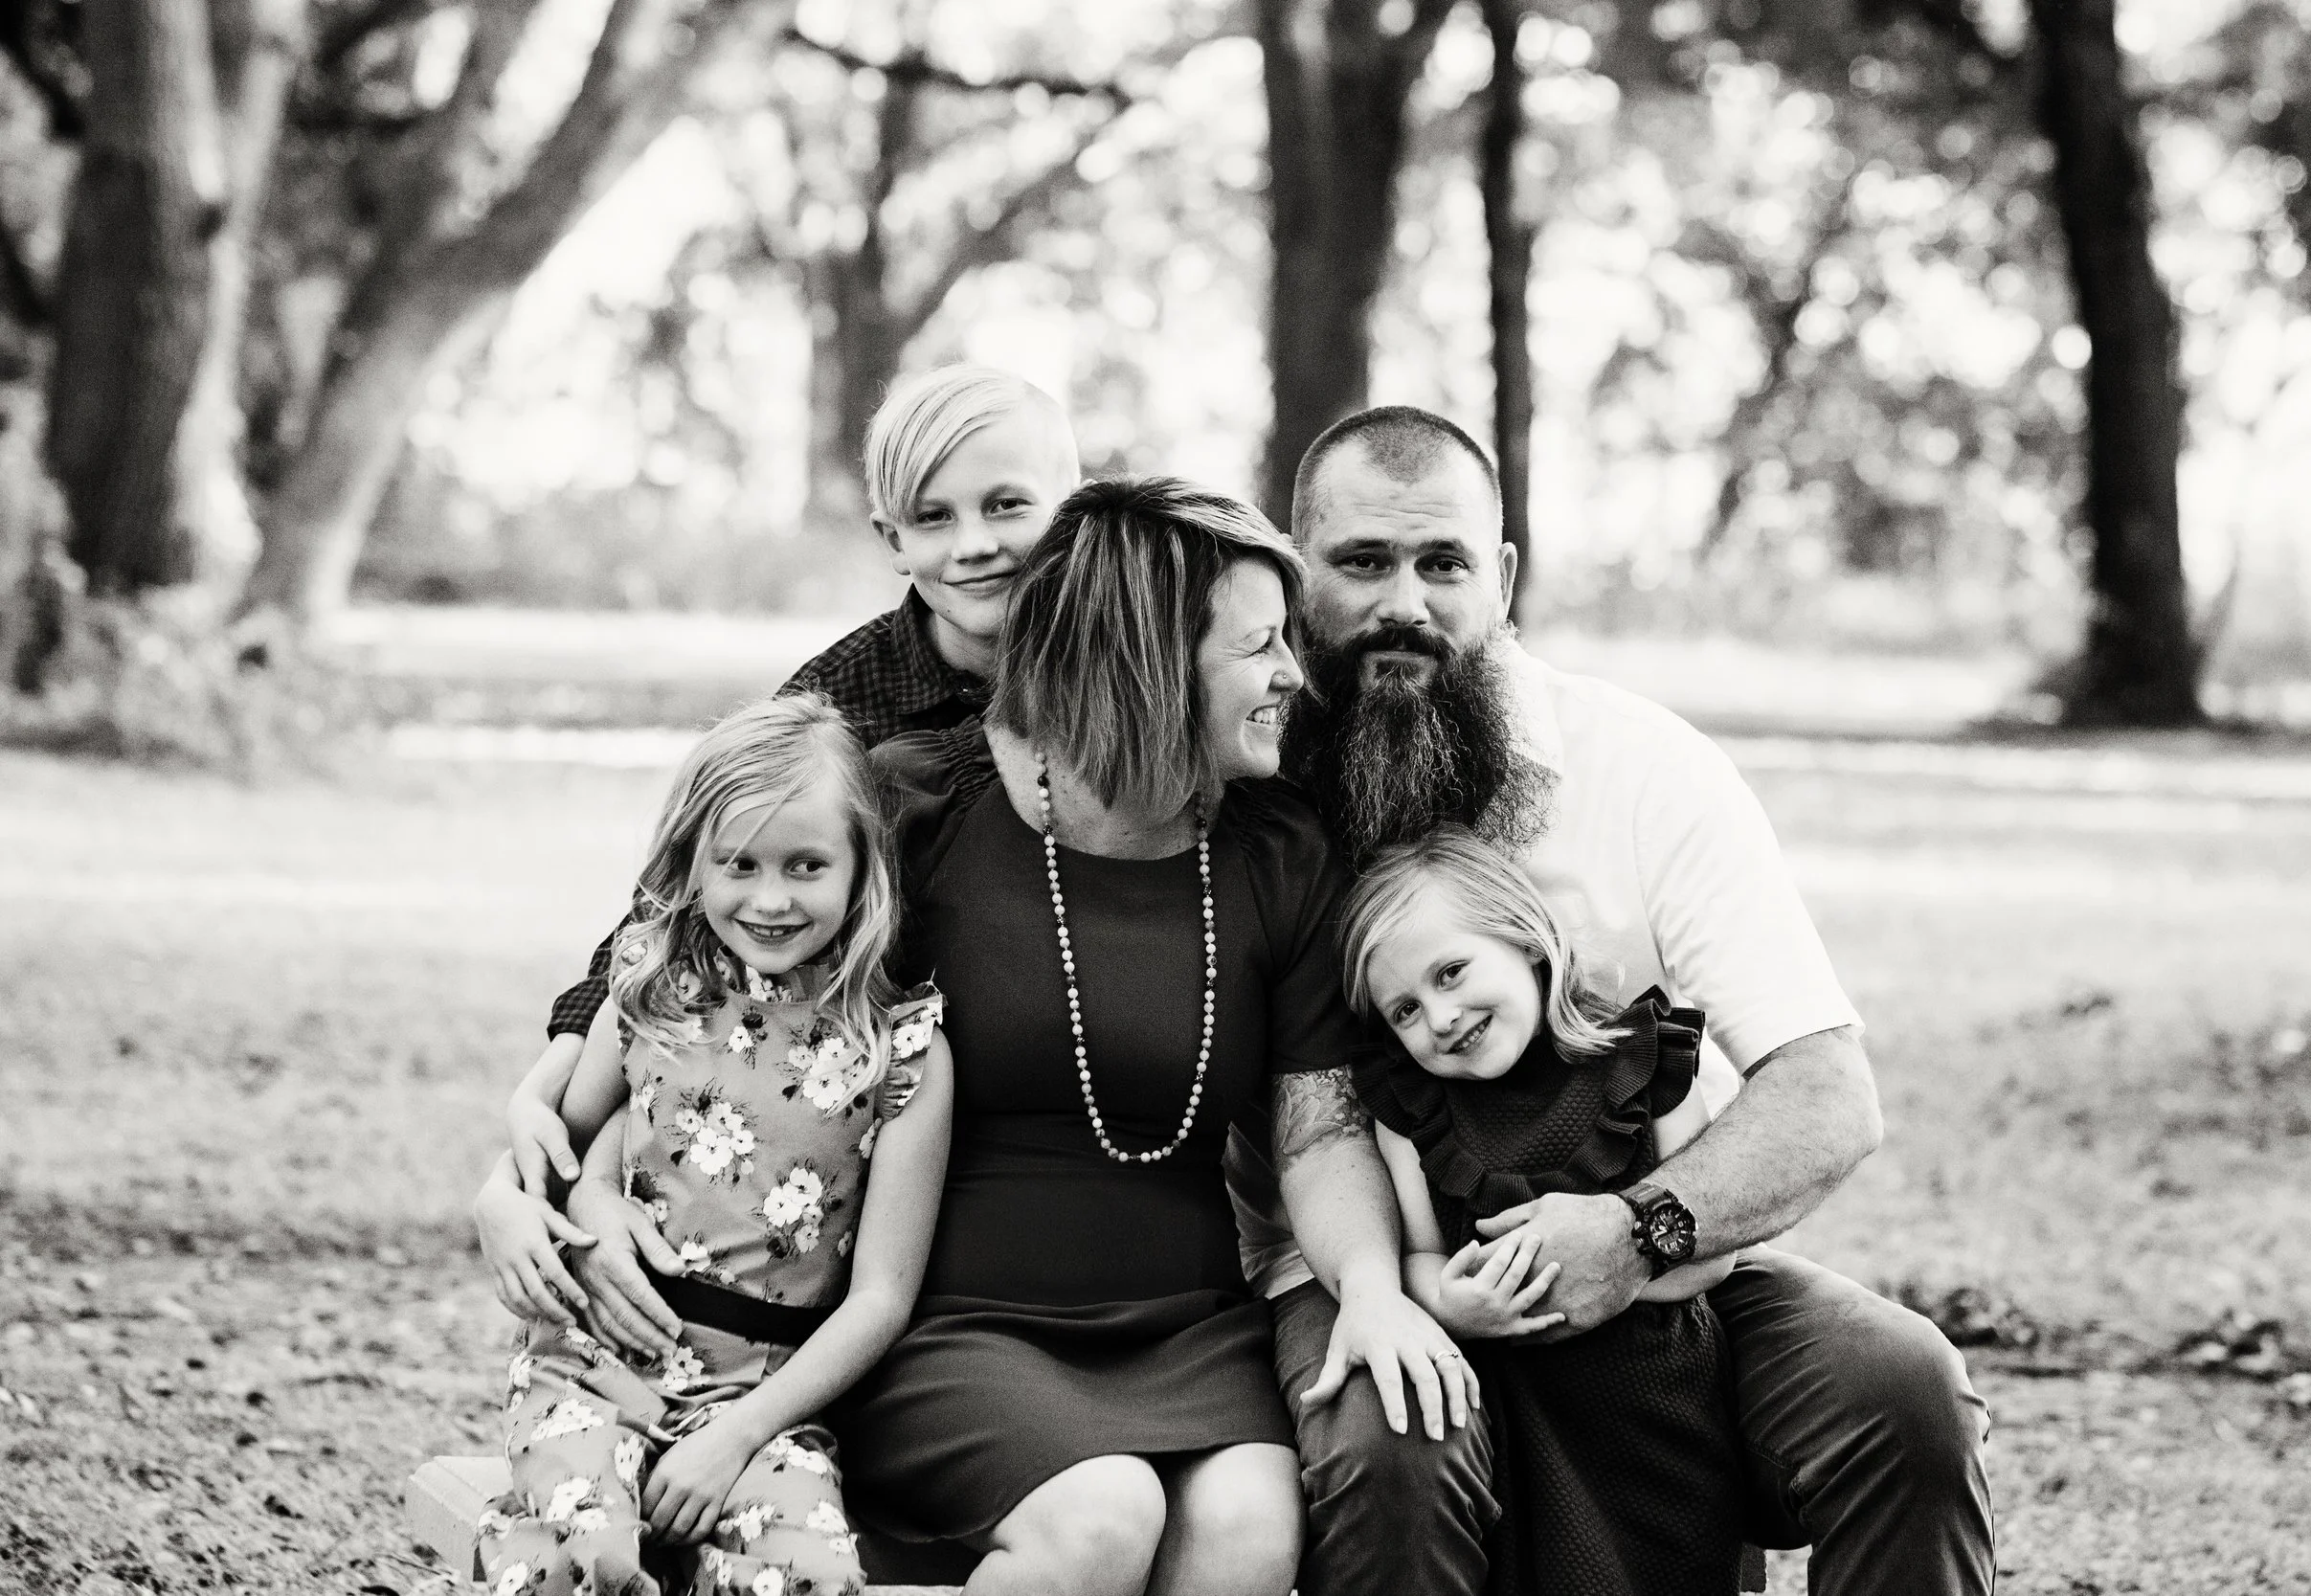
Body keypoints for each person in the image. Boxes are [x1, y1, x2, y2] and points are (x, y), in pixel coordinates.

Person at [1252, 405, 1996, 1596]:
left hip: (1653, 1257)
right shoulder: (1252, 779)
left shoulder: (1645, 768)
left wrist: (1635, 1231)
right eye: (1361, 563)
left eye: (1442, 563)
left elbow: (1826, 1092)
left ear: (1500, 577)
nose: (1406, 602)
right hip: (1375, 1270)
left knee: (1901, 1387)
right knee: (1392, 1434)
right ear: (1296, 579)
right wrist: (1397, 1287)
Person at [828, 477, 1466, 1596]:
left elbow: (1317, 1127)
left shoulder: (1278, 848)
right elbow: (753, 1017)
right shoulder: (919, 807)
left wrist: (1368, 1285)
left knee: (1249, 1533)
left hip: (1187, 1327)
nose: (1291, 676)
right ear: (1151, 660)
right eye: (1259, 647)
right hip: (954, 1318)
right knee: (1100, 1515)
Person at [477, 365, 1080, 1327]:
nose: (974, 544)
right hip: (872, 1106)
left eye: (1007, 505)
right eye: (933, 517)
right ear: (891, 539)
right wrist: (534, 1130)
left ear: (1071, 507)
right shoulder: (843, 698)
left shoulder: (1122, 676)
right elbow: (677, 905)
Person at [470, 695, 955, 1596]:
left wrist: (737, 1437)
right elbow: (569, 1156)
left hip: (763, 1406)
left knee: (808, 1577)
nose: (770, 898)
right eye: (738, 864)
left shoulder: (904, 1051)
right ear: (694, 865)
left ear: (863, 868)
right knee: (590, 1558)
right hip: (593, 1368)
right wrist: (590, 1196)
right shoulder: (651, 991)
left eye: (806, 865)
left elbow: (881, 1298)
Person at [1342, 826, 1748, 1595]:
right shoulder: (1412, 1112)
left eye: (1452, 971)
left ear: (1526, 939)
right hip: (1519, 1413)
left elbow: (1711, 1244)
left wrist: (1617, 1276)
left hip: (1657, 1404)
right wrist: (1453, 1307)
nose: (1440, 1015)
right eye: (1404, 1008)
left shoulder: (1644, 1062)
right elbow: (1419, 1258)